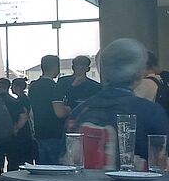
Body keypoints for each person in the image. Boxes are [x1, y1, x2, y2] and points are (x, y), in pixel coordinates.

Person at [66, 38, 169, 168]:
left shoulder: (78, 112)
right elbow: (162, 166)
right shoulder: (152, 113)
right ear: (138, 74)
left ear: (103, 71)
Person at [28, 55, 70, 164]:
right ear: (56, 67)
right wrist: (69, 109)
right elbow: (59, 113)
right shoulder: (55, 87)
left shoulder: (33, 87)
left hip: (39, 133)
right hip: (55, 134)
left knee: (43, 169)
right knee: (56, 169)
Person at [9, 77, 37, 168]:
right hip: (27, 132)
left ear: (17, 87)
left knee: (17, 160)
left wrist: (16, 128)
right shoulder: (25, 99)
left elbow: (23, 115)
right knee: (26, 159)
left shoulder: (20, 101)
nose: (11, 88)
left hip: (22, 133)